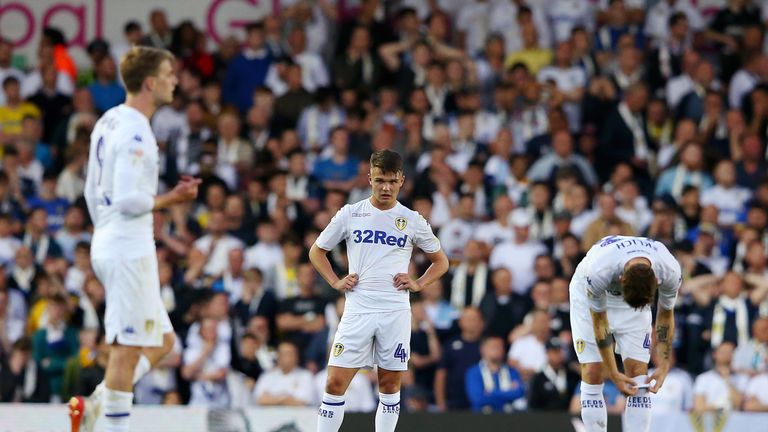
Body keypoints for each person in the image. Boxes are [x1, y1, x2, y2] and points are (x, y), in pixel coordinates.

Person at [74, 46, 201, 432]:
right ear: (150, 82)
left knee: (162, 341)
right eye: (169, 73)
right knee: (126, 348)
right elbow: (130, 200)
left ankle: (96, 402)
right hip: (127, 248)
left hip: (115, 241)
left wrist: (107, 230)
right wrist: (173, 199)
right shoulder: (136, 131)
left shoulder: (109, 119)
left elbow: (91, 193)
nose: (175, 80)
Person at [310, 149, 449, 432]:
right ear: (369, 178)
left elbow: (441, 262)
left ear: (401, 181)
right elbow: (317, 251)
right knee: (334, 383)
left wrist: (419, 283)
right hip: (357, 309)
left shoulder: (412, 220)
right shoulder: (351, 213)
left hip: (394, 310)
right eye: (379, 180)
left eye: (391, 181)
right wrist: (335, 281)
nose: (385, 187)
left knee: (389, 384)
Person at [569, 235, 682, 432]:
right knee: (593, 371)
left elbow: (665, 317)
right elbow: (600, 324)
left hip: (633, 305)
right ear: (621, 279)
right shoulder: (598, 270)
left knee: (639, 376)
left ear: (657, 281)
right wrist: (613, 373)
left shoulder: (670, 269)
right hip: (590, 295)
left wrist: (663, 365)